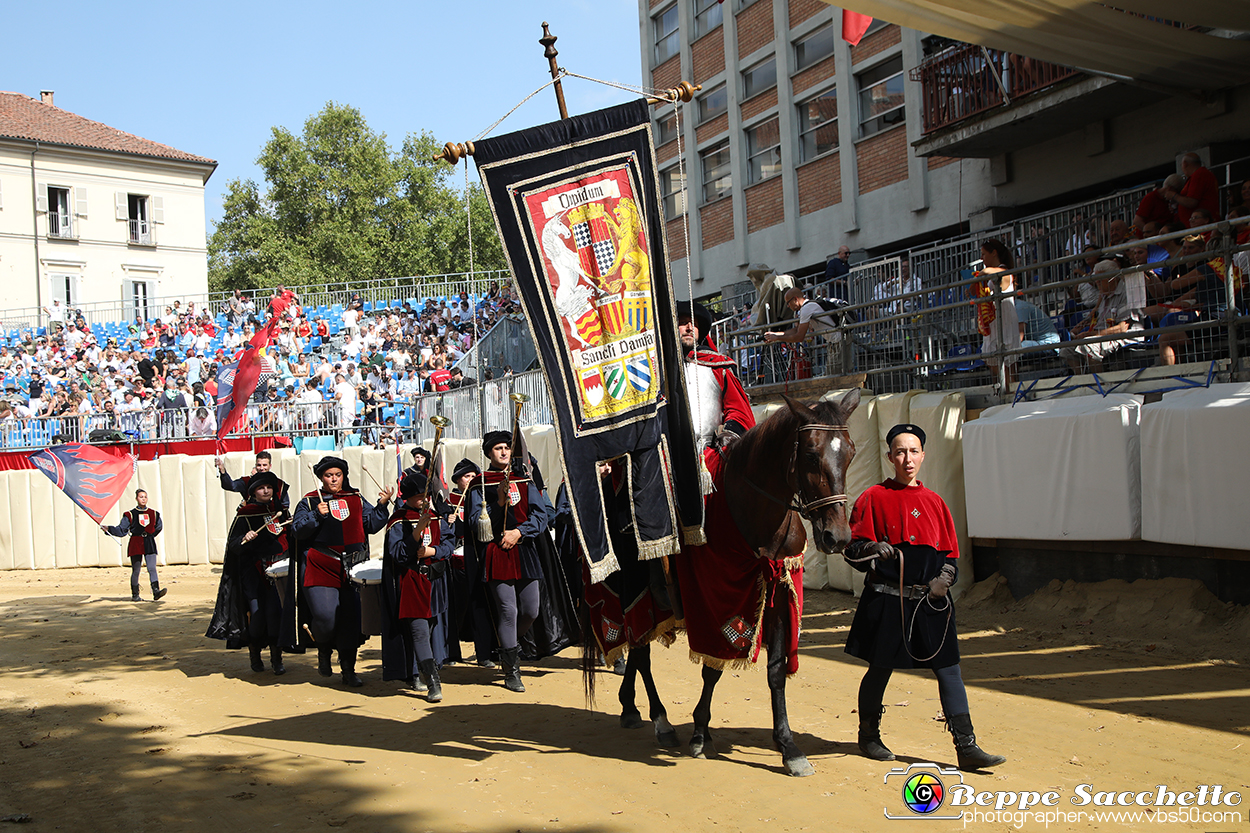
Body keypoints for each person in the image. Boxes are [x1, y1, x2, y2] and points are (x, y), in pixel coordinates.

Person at [843, 424, 1005, 771]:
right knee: (880, 669)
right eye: (900, 452)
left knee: (949, 671)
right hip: (887, 601)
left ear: (923, 456)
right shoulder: (873, 498)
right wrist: (873, 548)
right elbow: (852, 551)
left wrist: (945, 578)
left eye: (913, 451)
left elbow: (950, 556)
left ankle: (967, 746)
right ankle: (869, 736)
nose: (907, 458)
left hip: (930, 603)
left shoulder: (935, 503)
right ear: (890, 458)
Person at [292, 456, 393, 687]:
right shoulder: (309, 502)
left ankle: (348, 669)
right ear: (321, 478)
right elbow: (298, 530)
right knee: (326, 618)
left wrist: (381, 506)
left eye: (338, 475)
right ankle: (324, 649)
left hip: (352, 567)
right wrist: (316, 514)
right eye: (329, 475)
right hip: (320, 565)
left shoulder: (355, 498)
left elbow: (371, 525)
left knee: (351, 621)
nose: (334, 479)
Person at [459, 431, 548, 692]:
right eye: (497, 448)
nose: (503, 452)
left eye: (506, 447)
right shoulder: (479, 484)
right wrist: (498, 503)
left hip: (523, 550)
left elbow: (540, 516)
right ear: (488, 453)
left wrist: (519, 532)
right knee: (508, 610)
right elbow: (476, 523)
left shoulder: (524, 478)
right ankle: (511, 669)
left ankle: (506, 644)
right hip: (496, 552)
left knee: (531, 609)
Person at [206, 472, 294, 675]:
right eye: (261, 488)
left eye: (269, 487)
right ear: (253, 492)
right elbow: (234, 546)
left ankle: (276, 658)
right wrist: (245, 538)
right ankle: (254, 652)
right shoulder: (245, 514)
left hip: (278, 572)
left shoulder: (280, 511)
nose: (266, 491)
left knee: (275, 614)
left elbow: (290, 537)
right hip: (253, 573)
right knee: (257, 615)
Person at [380, 470, 454, 702]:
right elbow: (399, 554)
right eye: (418, 495)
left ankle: (418, 671)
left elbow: (449, 545)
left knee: (431, 629)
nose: (424, 499)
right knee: (419, 631)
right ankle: (433, 683)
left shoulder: (438, 516)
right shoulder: (398, 520)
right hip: (412, 581)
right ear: (408, 497)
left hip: (435, 581)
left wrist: (434, 551)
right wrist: (415, 533)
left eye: (426, 494)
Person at [677, 301, 754, 475]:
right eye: (683, 323)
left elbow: (739, 410)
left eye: (694, 324)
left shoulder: (718, 366)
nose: (689, 328)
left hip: (708, 456)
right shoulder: (658, 368)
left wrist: (729, 433)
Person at [762, 288, 846, 377]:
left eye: (788, 302)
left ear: (795, 299)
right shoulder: (809, 306)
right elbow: (797, 329)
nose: (788, 306)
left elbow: (799, 336)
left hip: (838, 341)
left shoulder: (806, 309)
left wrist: (777, 338)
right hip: (838, 340)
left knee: (833, 377)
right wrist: (775, 334)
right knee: (837, 375)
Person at [102, 489, 167, 602]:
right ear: (136, 498)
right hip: (136, 541)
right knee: (136, 569)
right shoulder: (130, 514)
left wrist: (149, 536)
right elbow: (122, 529)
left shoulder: (154, 514)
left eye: (145, 497)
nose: (143, 499)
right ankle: (135, 594)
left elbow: (158, 527)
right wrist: (109, 529)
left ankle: (156, 591)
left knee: (152, 568)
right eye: (141, 497)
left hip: (149, 542)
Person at [971, 239, 1020, 388]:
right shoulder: (987, 273)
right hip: (992, 320)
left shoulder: (1004, 271)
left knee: (1007, 362)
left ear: (994, 253)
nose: (982, 258)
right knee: (991, 359)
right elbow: (973, 291)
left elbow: (1002, 275)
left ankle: (1011, 392)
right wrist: (976, 279)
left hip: (1004, 317)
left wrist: (984, 272)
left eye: (984, 254)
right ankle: (1002, 390)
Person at [216, 450, 290, 511]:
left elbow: (285, 505)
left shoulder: (279, 484)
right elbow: (231, 486)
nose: (261, 468)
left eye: (264, 465)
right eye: (259, 465)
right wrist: (223, 471)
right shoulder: (247, 481)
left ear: (270, 466)